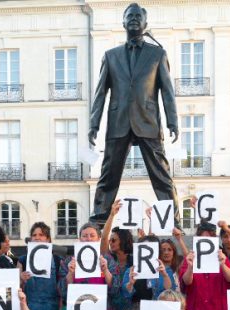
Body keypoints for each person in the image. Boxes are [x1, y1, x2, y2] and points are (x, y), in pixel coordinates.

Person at [88, 2, 181, 226]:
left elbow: (167, 92)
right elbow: (100, 93)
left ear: (145, 23)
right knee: (109, 172)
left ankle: (172, 219)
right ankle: (100, 217)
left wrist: (172, 121)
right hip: (118, 120)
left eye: (138, 16)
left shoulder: (157, 54)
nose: (134, 19)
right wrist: (94, 124)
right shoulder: (111, 56)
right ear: (123, 22)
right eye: (130, 15)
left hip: (148, 120)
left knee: (161, 173)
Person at [18, 222, 63, 310]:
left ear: (48, 239)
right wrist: (20, 279)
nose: (37, 238)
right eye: (34, 235)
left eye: (41, 235)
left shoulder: (57, 260)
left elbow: (61, 293)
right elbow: (16, 290)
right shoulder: (22, 260)